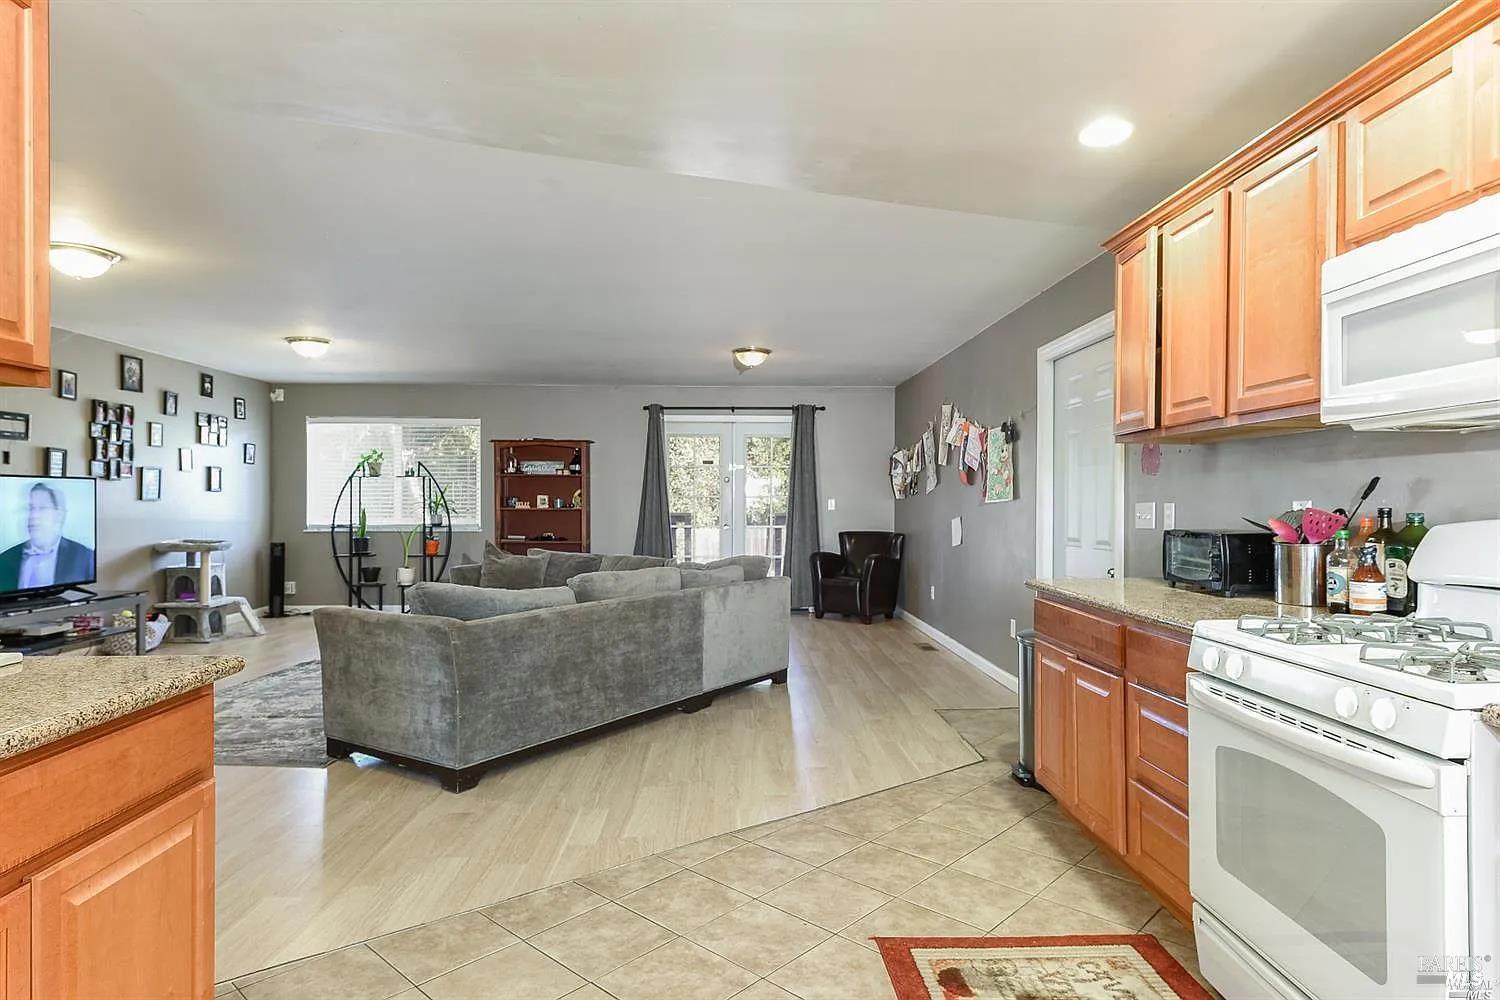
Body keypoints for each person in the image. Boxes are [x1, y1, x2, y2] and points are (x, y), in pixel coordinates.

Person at [0, 482, 95, 592]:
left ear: (59, 515)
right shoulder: (4, 559)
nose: (33, 516)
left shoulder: (84, 556)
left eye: (42, 508)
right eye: (30, 508)